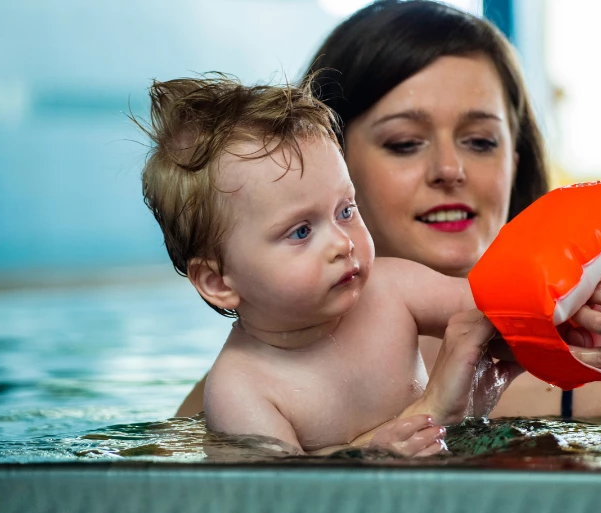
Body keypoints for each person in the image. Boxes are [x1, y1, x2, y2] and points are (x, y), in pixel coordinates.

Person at [177, 0, 601, 437]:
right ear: (326, 162)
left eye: (481, 142)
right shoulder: (241, 398)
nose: (449, 169)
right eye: (404, 143)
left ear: (517, 164)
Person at [137, 76, 523, 455]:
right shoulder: (243, 387)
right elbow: (287, 498)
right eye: (301, 231)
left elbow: (502, 307)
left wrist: (571, 303)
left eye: (346, 210)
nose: (343, 242)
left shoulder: (392, 290)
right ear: (218, 280)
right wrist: (381, 447)